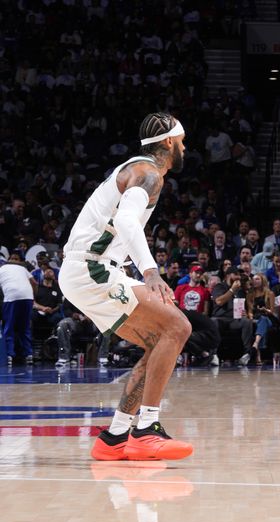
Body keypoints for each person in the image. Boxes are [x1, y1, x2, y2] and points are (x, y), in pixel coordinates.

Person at [59, 112, 193, 461]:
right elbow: (126, 221)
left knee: (160, 342)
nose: (184, 147)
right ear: (168, 142)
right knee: (177, 326)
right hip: (92, 267)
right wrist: (150, 271)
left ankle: (115, 436)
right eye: (181, 141)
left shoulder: (136, 169)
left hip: (88, 268)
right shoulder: (149, 174)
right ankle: (147, 430)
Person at [0, 257, 37, 365]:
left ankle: (9, 355)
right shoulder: (21, 268)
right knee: (25, 327)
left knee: (9, 327)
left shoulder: (1, 270)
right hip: (27, 296)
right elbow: (34, 283)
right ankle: (29, 355)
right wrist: (33, 298)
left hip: (11, 296)